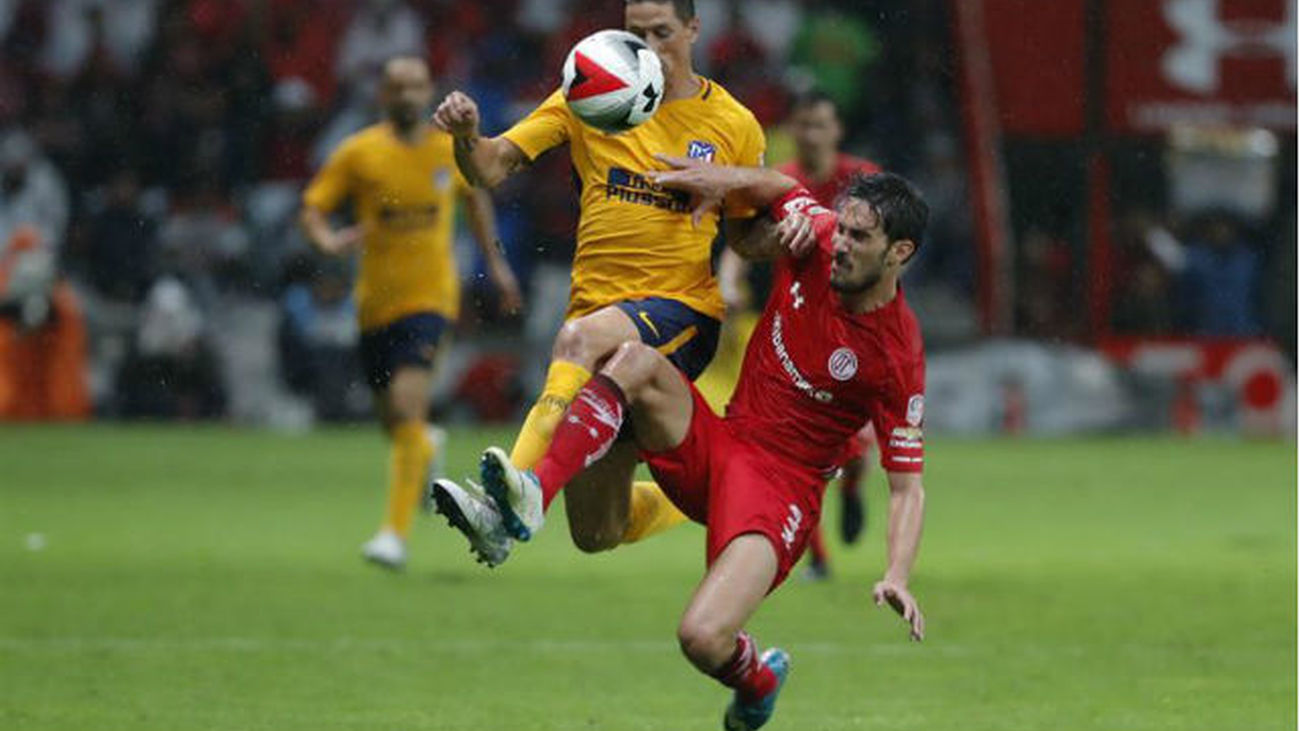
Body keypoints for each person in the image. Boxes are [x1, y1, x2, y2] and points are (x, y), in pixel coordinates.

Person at [432, 163, 929, 729]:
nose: (839, 244)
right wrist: (720, 181)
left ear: (899, 252)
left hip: (780, 491)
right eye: (840, 228)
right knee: (634, 363)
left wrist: (897, 573)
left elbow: (907, 486)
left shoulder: (897, 355)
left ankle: (758, 681)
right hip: (722, 439)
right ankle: (530, 495)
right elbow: (780, 188)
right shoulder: (815, 237)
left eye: (859, 237)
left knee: (700, 637)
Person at [432, 0, 767, 554]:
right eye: (636, 33)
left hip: (679, 313)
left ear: (693, 29)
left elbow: (750, 237)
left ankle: (501, 507)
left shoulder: (732, 123)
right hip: (598, 320)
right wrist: (467, 134)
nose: (649, 48)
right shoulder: (590, 93)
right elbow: (490, 167)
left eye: (663, 32)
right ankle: (732, 488)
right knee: (597, 531)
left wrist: (735, 193)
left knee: (577, 339)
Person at [300, 56, 522, 570]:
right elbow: (313, 207)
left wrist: (498, 266)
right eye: (397, 86)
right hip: (374, 305)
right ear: (383, 92)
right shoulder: (359, 152)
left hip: (430, 301)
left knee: (406, 406)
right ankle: (425, 446)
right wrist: (328, 241)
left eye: (416, 86)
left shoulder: (449, 149)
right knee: (394, 423)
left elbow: (477, 200)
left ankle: (393, 536)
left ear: (429, 93)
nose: (407, 94)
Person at [722, 90, 883, 578]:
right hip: (791, 329)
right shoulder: (781, 182)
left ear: (837, 132)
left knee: (854, 446)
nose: (811, 134)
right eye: (803, 125)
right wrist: (728, 281)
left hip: (851, 330)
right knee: (794, 447)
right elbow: (741, 240)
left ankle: (852, 486)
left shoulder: (865, 180)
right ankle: (817, 556)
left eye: (820, 125)